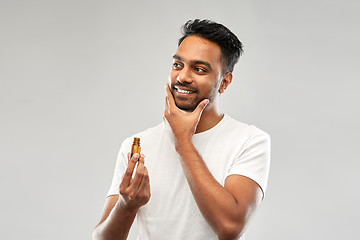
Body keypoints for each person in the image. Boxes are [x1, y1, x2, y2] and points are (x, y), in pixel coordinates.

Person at [92, 19, 271, 240]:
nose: (183, 77)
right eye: (178, 65)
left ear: (224, 82)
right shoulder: (136, 145)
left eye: (199, 69)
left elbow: (230, 227)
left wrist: (183, 142)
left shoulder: (249, 140)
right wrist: (126, 206)